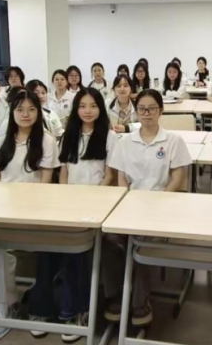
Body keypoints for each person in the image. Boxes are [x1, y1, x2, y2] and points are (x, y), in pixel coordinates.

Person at [104, 90, 192, 326]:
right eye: (142, 108)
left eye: (152, 108)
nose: (147, 113)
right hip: (130, 207)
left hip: (161, 209)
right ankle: (115, 296)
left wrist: (160, 202)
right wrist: (126, 204)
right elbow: (121, 179)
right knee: (110, 240)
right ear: (136, 111)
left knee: (143, 242)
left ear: (160, 110)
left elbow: (178, 179)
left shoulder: (173, 141)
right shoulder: (125, 142)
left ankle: (139, 302)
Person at [0, 89, 60, 343]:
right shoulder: (5, 139)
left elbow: (46, 183)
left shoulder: (46, 141)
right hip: (5, 209)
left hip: (35, 210)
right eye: (20, 110)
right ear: (12, 112)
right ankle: (7, 306)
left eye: (31, 109)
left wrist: (31, 211)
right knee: (0, 247)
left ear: (39, 112)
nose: (25, 114)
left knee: (45, 250)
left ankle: (40, 307)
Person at [51, 88, 117, 339]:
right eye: (82, 106)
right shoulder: (69, 135)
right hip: (71, 205)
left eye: (93, 105)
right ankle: (70, 307)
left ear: (100, 108)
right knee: (69, 253)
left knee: (82, 254)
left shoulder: (109, 137)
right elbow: (64, 173)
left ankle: (78, 309)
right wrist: (64, 199)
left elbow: (110, 176)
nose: (87, 111)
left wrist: (95, 203)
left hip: (98, 206)